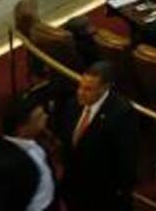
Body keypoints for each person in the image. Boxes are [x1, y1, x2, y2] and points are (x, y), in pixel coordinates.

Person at [57, 62, 139, 211]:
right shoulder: (72, 105)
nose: (80, 92)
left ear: (104, 88)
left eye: (88, 89)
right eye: (80, 86)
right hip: (75, 190)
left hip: (104, 197)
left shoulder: (122, 114)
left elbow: (125, 161)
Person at [0, 94, 57, 211]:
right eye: (39, 117)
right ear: (23, 128)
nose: (46, 117)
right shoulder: (3, 165)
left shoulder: (34, 139)